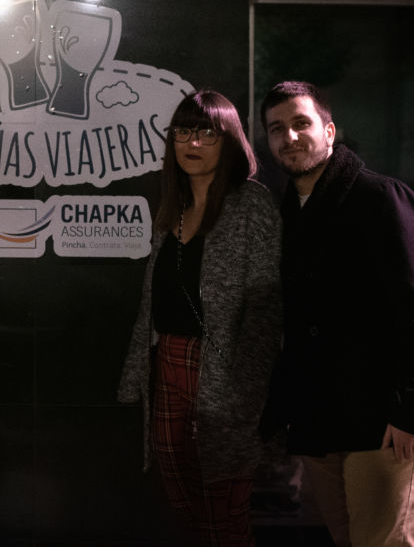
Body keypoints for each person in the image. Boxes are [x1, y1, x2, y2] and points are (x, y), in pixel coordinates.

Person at [260, 81, 414, 547]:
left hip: (384, 424)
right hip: (322, 424)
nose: (291, 137)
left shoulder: (381, 198)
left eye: (301, 123)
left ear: (329, 130)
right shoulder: (291, 212)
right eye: (277, 129)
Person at [118, 89, 283, 546]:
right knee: (184, 502)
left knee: (223, 512)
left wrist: (244, 389)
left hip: (224, 372)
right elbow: (153, 299)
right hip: (167, 363)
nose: (192, 142)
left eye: (206, 131)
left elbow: (267, 310)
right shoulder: (174, 207)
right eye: (183, 131)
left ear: (228, 139)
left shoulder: (252, 204)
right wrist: (137, 369)